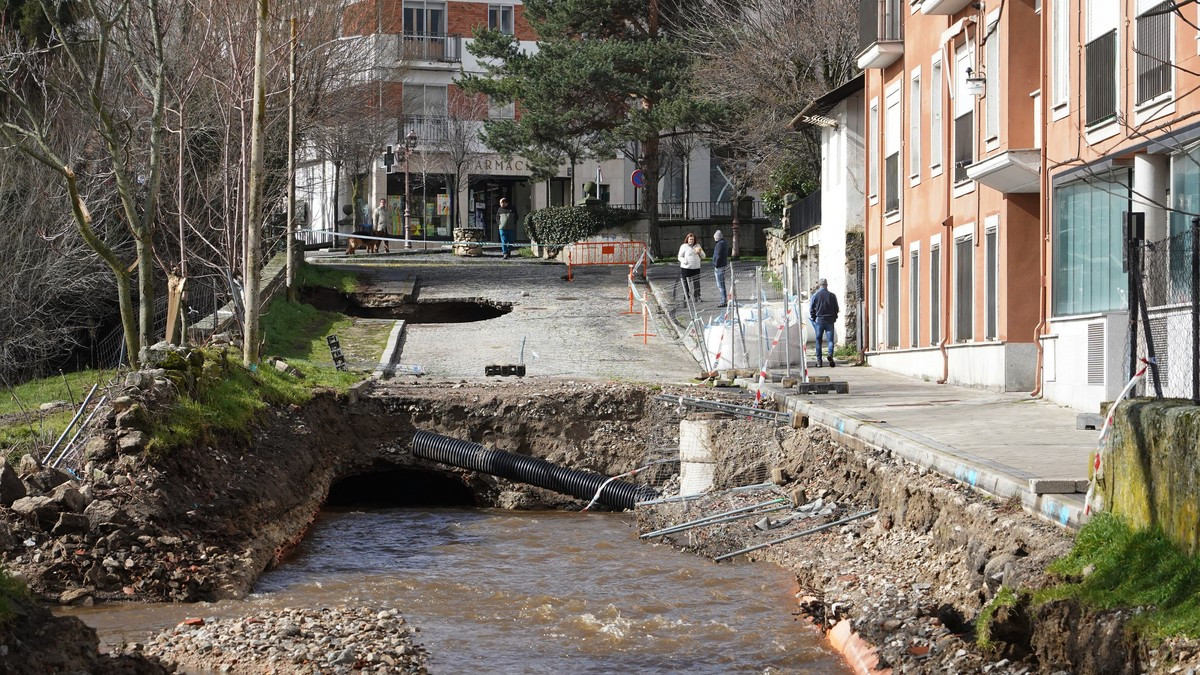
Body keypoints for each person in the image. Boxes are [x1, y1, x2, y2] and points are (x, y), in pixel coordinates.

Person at [809, 278, 840, 368]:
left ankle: (819, 361)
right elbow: (836, 308)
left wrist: (814, 318)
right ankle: (830, 355)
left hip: (819, 320)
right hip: (830, 320)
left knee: (818, 340)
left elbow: (811, 309)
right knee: (830, 340)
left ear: (819, 285)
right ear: (826, 285)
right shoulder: (832, 296)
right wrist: (834, 317)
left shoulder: (815, 295)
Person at [677, 232, 704, 301]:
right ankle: (686, 296)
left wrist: (699, 252)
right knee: (686, 282)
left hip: (696, 267)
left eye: (692, 239)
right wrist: (685, 261)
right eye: (690, 239)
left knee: (697, 282)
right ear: (687, 239)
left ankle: (697, 296)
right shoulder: (684, 246)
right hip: (686, 268)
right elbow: (679, 257)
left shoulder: (697, 246)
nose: (691, 241)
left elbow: (703, 256)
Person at [711, 230, 730, 307]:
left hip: (719, 266)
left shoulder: (719, 244)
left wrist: (715, 264)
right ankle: (724, 299)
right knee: (722, 284)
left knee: (720, 284)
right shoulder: (724, 242)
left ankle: (723, 300)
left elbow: (718, 255)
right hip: (723, 265)